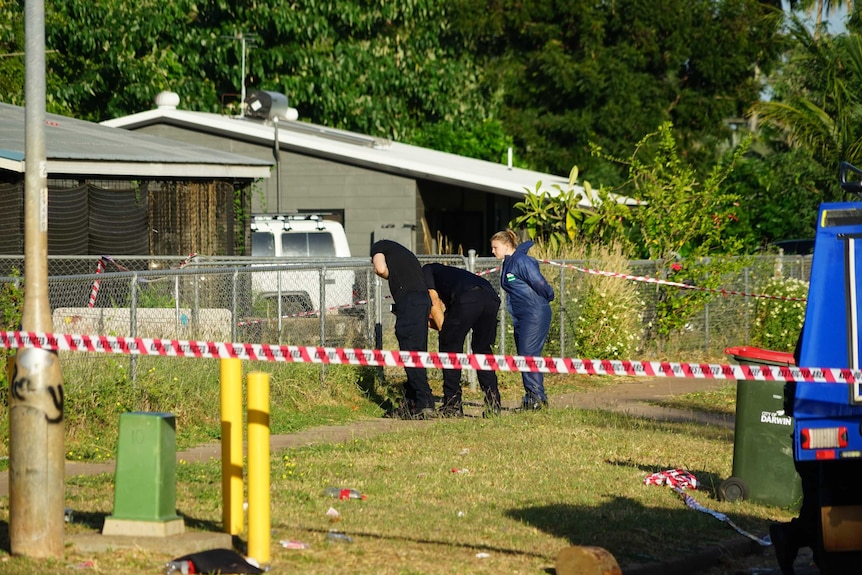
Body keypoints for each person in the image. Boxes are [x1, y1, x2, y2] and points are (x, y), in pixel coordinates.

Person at [422, 263, 503, 418]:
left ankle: (452, 405)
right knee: (482, 350)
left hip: (469, 297)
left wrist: (441, 330)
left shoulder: (426, 270)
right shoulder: (450, 277)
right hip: (490, 297)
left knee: (449, 348)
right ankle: (494, 405)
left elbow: (433, 298)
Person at [371, 239, 436, 419]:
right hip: (423, 301)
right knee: (418, 352)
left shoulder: (379, 247)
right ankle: (413, 401)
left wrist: (386, 274)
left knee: (410, 352)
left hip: (410, 302)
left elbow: (381, 269)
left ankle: (424, 403)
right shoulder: (404, 253)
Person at [490, 229, 555, 410]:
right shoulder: (509, 263)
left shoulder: (521, 261)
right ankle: (534, 397)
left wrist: (549, 295)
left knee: (528, 355)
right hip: (521, 315)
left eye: (495, 247)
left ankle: (536, 399)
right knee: (526, 355)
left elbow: (539, 283)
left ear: (506, 245)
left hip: (534, 313)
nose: (493, 251)